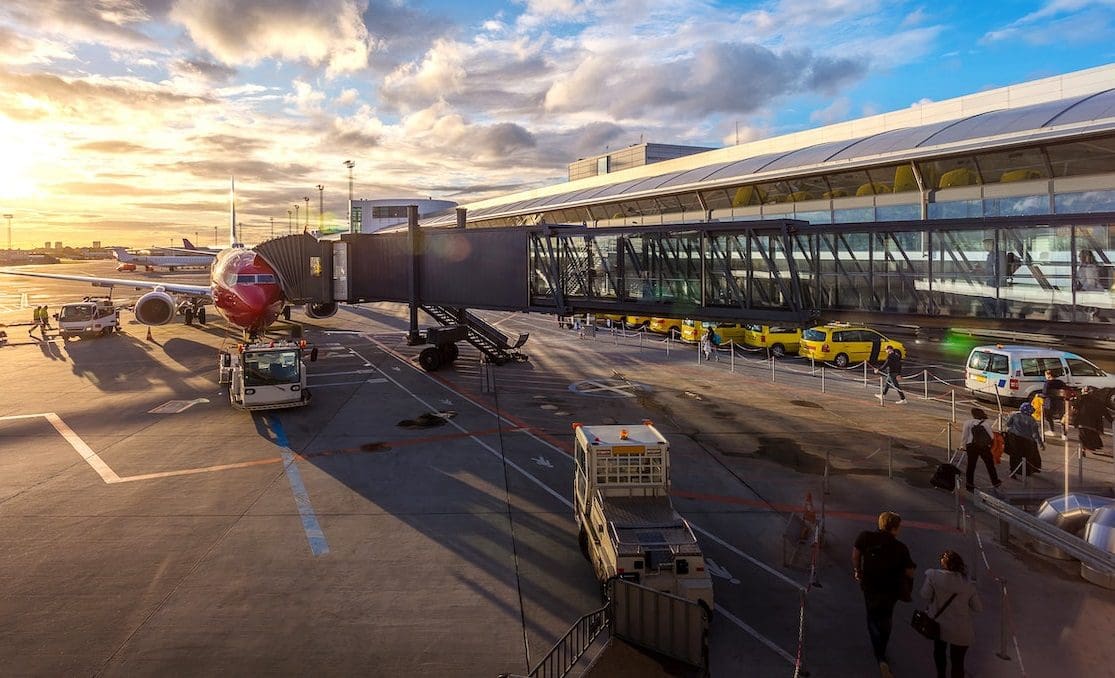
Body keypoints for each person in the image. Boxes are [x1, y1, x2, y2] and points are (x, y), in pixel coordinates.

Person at [853, 511, 916, 678]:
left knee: (872, 618)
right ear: (895, 529)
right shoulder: (901, 548)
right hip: (891, 590)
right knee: (887, 617)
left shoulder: (865, 537)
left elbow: (855, 555)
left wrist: (858, 571)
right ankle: (883, 649)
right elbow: (910, 572)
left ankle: (880, 656)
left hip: (870, 585)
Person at [920, 550, 982, 678]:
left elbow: (925, 594)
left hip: (939, 626)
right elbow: (978, 608)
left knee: (939, 653)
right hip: (961, 630)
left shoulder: (933, 575)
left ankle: (941, 675)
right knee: (958, 663)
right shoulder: (968, 585)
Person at [961, 407, 1002, 492]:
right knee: (989, 464)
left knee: (971, 465)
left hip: (971, 446)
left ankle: (969, 484)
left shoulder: (968, 423)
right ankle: (995, 481)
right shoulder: (985, 424)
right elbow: (991, 436)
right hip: (983, 447)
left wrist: (963, 446)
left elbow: (964, 436)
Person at [1005, 402, 1044, 477]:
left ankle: (1013, 471)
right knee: (1026, 456)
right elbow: (1035, 434)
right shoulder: (1032, 420)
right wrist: (1040, 444)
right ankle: (1025, 471)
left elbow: (1008, 424)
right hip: (1027, 440)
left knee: (1014, 455)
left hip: (1014, 437)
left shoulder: (1015, 415)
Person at [1074, 385, 1113, 454]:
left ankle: (1083, 449)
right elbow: (1106, 413)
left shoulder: (1080, 399)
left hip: (1082, 422)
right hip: (1094, 426)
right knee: (1093, 440)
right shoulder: (1099, 402)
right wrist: (1112, 421)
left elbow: (1074, 408)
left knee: (1083, 438)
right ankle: (1085, 449)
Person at [1042, 369, 1068, 436]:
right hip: (1060, 403)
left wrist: (1039, 395)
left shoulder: (1048, 383)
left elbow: (1045, 393)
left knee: (1048, 416)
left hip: (1050, 403)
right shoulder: (1061, 382)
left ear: (1049, 375)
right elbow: (1065, 390)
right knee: (1062, 418)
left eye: (1046, 375)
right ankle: (1064, 434)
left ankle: (1052, 430)